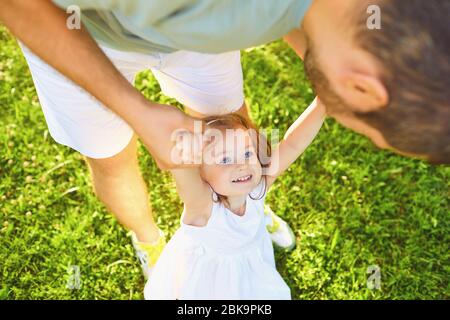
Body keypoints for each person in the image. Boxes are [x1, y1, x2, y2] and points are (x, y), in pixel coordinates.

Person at [0, 0, 448, 277]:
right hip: (75, 32)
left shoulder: (253, 16)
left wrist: (325, 99)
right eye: (366, 130)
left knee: (232, 121)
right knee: (110, 156)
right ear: (363, 87)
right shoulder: (225, 10)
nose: (249, 160)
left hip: (191, 34)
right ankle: (150, 239)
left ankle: (243, 213)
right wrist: (137, 113)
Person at [145, 98, 325, 299]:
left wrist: (322, 104)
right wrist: (178, 150)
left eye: (247, 153)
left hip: (250, 264)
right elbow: (185, 176)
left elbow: (292, 144)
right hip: (212, 280)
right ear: (200, 173)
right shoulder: (202, 208)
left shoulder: (257, 188)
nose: (241, 165)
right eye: (225, 159)